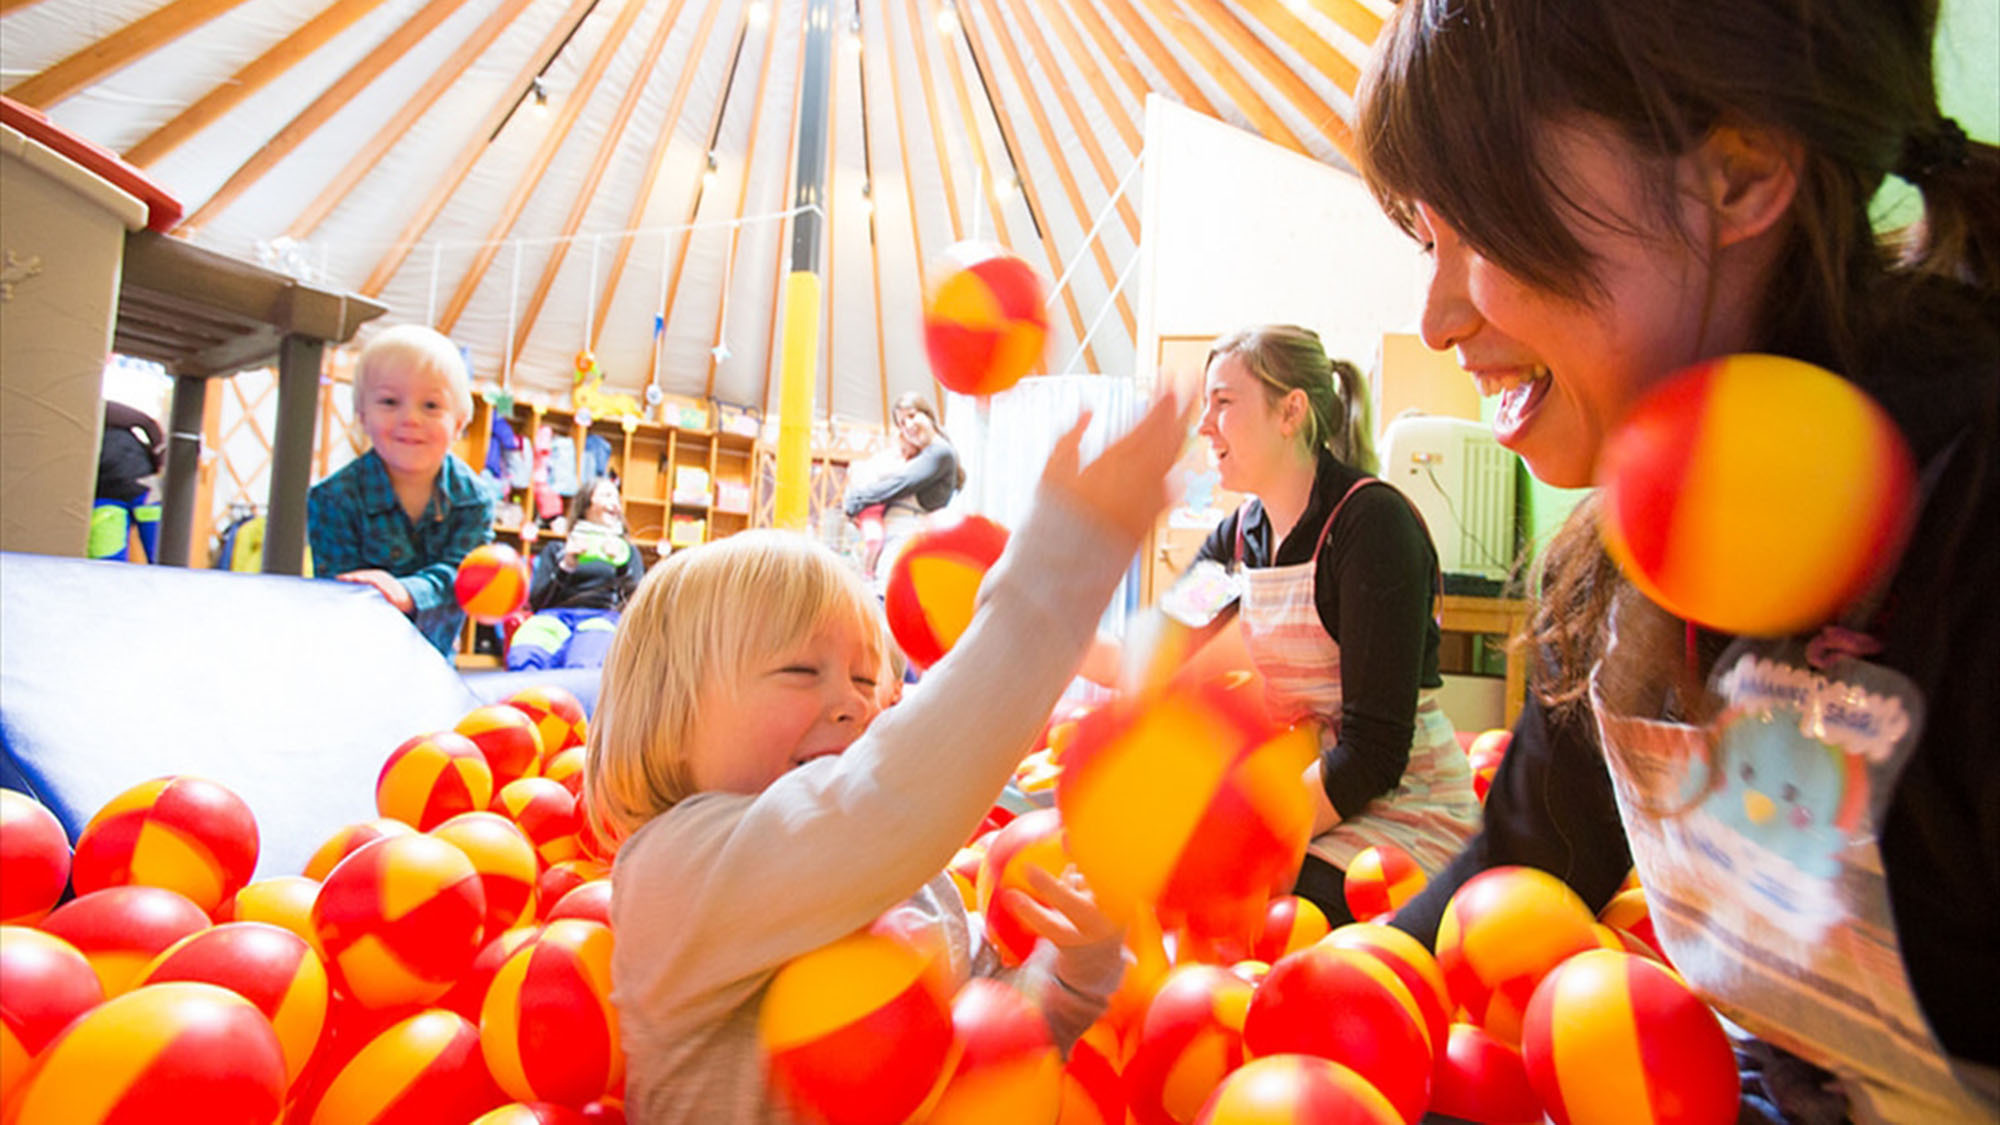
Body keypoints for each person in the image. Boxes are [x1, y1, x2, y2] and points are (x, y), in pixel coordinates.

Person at [1356, 0, 1998, 1117]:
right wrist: (1326, 994)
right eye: (1425, 236)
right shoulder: (1626, 565)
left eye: (1480, 224)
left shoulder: (1972, 521)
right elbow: (1529, 858)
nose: (1435, 316)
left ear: (1737, 176)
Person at [582, 388, 1192, 1123]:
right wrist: (1060, 568)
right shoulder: (675, 873)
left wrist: (1073, 967)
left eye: (870, 680)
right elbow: (880, 803)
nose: (852, 705)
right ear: (669, 717)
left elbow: (992, 1048)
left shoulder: (914, 882)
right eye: (801, 672)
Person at [1158, 325, 1481, 926]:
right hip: (1313, 787)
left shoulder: (1370, 526)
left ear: (1291, 412)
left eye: (1223, 403)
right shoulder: (1240, 538)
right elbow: (1160, 646)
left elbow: (1374, 753)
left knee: (1265, 926)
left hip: (1403, 816)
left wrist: (1255, 848)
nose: (1204, 424)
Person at [308, 325, 494, 658]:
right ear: (362, 416)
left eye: (431, 405)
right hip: (353, 656)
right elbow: (337, 591)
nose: (410, 418)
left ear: (460, 420)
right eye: (390, 401)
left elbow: (462, 577)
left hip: (434, 660)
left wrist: (406, 591)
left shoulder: (475, 499)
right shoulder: (332, 498)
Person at [506, 476, 646, 671]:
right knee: (526, 654)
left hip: (602, 617)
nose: (614, 503)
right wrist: (566, 566)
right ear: (586, 504)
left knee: (585, 660)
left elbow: (637, 603)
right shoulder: (557, 549)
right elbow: (538, 602)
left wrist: (621, 565)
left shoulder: (627, 552)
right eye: (607, 495)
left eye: (617, 498)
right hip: (554, 617)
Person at [842, 391, 964, 579]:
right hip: (894, 540)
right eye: (901, 423)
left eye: (912, 416)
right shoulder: (921, 455)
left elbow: (898, 484)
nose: (908, 425)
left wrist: (855, 500)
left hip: (905, 537)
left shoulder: (940, 453)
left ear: (928, 416)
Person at [89, 400, 164, 562]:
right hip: (109, 494)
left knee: (163, 557)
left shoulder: (100, 409)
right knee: (107, 565)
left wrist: (160, 458)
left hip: (141, 487)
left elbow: (148, 423)